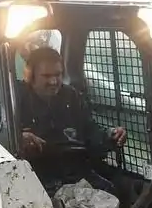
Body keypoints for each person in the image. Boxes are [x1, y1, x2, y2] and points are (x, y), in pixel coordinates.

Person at [16, 46, 127, 196]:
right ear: (30, 75)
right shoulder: (15, 98)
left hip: (74, 170)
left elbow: (90, 131)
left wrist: (110, 135)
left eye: (58, 74)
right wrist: (18, 138)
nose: (54, 81)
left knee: (114, 193)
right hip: (35, 175)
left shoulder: (71, 97)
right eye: (46, 76)